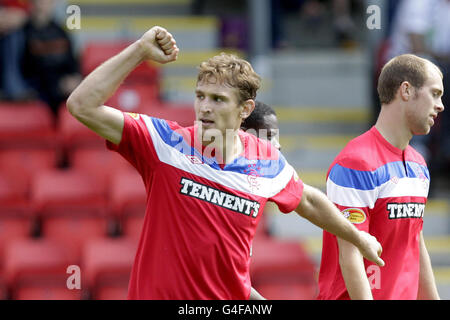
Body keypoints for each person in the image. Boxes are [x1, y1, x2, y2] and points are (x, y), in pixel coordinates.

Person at [67, 26, 383, 300]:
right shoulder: (164, 143)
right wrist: (138, 51)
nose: (204, 107)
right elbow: (82, 105)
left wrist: (358, 237)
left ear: (245, 109)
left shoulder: (265, 159)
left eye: (217, 100)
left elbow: (310, 201)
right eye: (200, 95)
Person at [317, 54, 444, 300]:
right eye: (435, 94)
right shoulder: (356, 162)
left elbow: (415, 241)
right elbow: (350, 255)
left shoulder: (419, 165)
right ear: (406, 90)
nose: (441, 105)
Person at [21, 0, 81, 115]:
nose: (44, 4)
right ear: (33, 4)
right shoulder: (23, 32)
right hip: (37, 88)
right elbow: (24, 68)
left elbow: (73, 63)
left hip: (62, 87)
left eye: (48, 2)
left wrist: (73, 79)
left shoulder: (61, 32)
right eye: (41, 1)